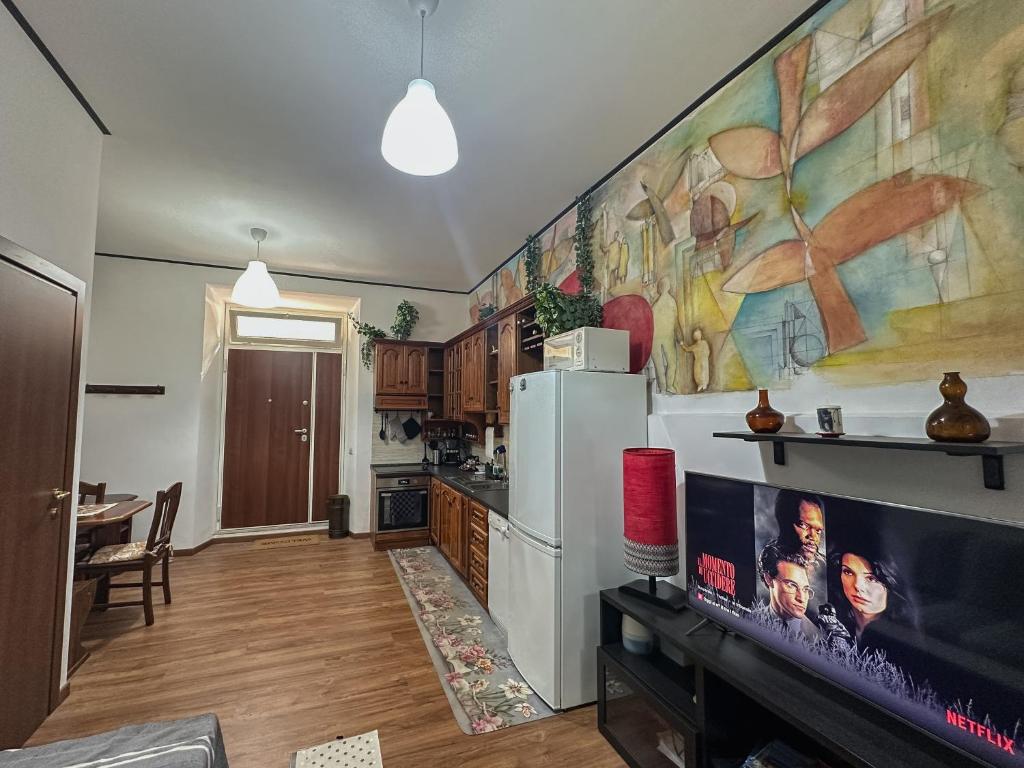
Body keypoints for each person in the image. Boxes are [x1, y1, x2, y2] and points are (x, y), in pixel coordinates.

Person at [826, 529, 919, 675]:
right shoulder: (833, 617)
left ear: (890, 581)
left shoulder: (905, 640)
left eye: (871, 578)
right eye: (848, 572)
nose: (858, 586)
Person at [756, 543, 819, 642]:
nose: (801, 598)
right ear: (769, 579)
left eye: (805, 589)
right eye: (792, 585)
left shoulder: (819, 639)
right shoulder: (749, 618)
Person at [771, 489, 826, 568]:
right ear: (785, 522)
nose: (814, 537)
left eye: (818, 530)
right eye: (804, 525)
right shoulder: (770, 561)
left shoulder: (823, 564)